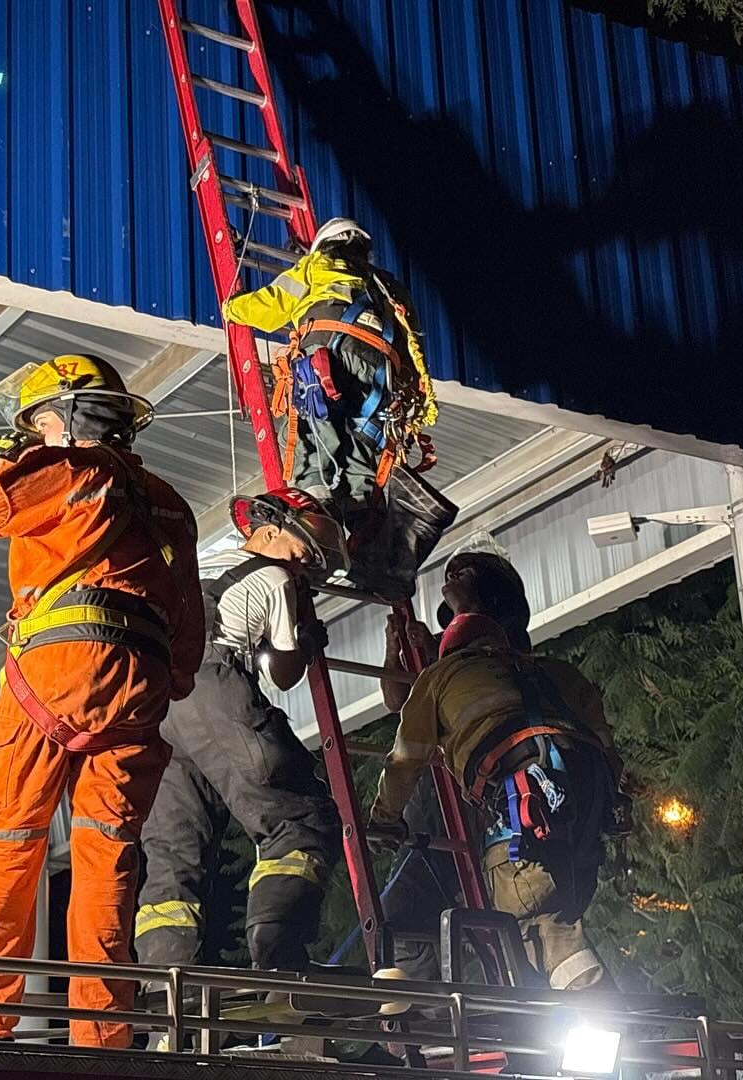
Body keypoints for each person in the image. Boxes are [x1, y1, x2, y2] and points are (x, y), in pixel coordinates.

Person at [0, 354, 205, 1048]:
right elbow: (187, 633)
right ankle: (105, 1037)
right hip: (139, 692)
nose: (34, 436)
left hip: (56, 671)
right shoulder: (168, 501)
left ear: (65, 419)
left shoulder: (71, 472)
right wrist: (156, 686)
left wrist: (1, 451)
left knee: (8, 842)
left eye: (38, 424)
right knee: (107, 860)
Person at [368, 548, 623, 993]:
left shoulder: (446, 677)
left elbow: (405, 754)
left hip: (512, 829)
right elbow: (606, 752)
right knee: (552, 934)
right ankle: (603, 1040)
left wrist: (383, 820)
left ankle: (427, 1028)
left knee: (412, 920)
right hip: (577, 837)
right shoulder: (558, 676)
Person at [136, 489, 343, 977]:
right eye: (302, 553)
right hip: (212, 690)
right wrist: (309, 636)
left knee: (171, 855)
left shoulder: (202, 564)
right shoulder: (273, 577)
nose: (305, 568)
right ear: (268, 532)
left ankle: (170, 1000)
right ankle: (280, 965)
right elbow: (286, 673)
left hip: (159, 707)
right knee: (300, 820)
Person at [223, 217, 455, 600]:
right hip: (379, 379)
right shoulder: (386, 284)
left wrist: (233, 308)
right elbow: (410, 342)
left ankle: (313, 525)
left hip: (329, 359)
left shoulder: (318, 267)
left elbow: (272, 305)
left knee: (313, 441)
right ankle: (364, 539)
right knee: (361, 446)